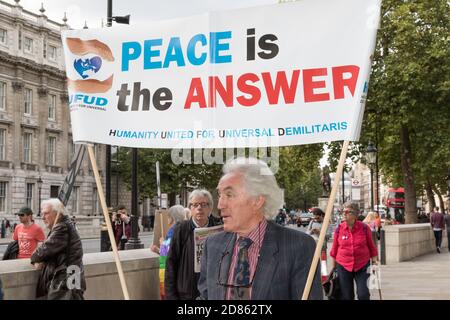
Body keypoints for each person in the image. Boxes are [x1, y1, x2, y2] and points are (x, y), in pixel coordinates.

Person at [198, 157, 322, 300]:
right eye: (220, 195)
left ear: (257, 200)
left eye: (229, 195)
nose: (220, 205)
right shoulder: (212, 245)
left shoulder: (299, 246)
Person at [165, 189, 222, 300]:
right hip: (187, 294)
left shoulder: (219, 228)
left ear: (210, 208)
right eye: (195, 205)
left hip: (212, 293)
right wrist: (171, 296)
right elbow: (171, 263)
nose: (199, 208)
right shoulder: (181, 229)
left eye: (203, 204)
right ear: (190, 208)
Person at [30, 198, 85, 299]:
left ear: (58, 214)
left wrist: (35, 258)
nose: (42, 217)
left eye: (46, 213)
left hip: (63, 284)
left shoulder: (62, 228)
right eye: (42, 214)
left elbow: (39, 253)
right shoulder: (66, 225)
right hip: (69, 280)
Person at [329, 201, 378, 300]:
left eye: (348, 212)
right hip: (343, 265)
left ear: (356, 214)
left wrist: (374, 263)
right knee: (346, 296)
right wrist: (333, 268)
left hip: (362, 265)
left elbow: (371, 246)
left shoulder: (364, 228)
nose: (344, 214)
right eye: (343, 211)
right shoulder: (339, 229)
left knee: (363, 294)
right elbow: (334, 249)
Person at [151, 205, 187, 300]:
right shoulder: (185, 228)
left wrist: (162, 244)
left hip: (169, 274)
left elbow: (168, 255)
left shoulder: (173, 231)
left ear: (171, 218)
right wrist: (158, 250)